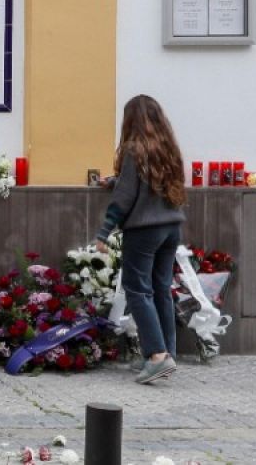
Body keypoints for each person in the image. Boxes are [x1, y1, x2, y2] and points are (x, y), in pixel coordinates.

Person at [96, 94, 187, 385]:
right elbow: (148, 184)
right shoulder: (167, 148)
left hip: (144, 231)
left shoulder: (134, 149)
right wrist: (115, 179)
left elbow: (125, 198)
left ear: (131, 120)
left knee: (138, 291)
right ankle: (167, 354)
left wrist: (104, 231)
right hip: (171, 228)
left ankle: (157, 357)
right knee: (161, 290)